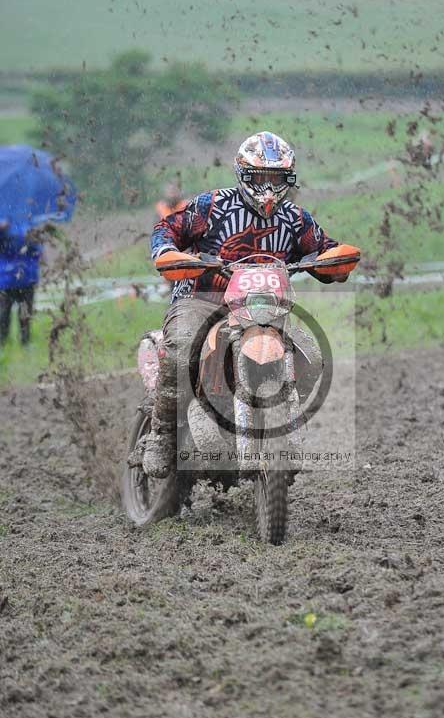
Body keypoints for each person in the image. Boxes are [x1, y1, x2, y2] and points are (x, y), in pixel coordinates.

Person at [143, 131, 356, 478]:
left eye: (276, 178)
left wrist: (335, 264)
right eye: (260, 178)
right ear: (243, 175)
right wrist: (167, 251)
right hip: (203, 297)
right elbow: (168, 227)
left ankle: (279, 415)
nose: (268, 188)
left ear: (288, 179)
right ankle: (162, 434)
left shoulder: (295, 219)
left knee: (312, 355)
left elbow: (324, 248)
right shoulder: (212, 206)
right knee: (181, 348)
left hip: (267, 308)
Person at [0, 219, 43, 346]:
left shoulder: (30, 224)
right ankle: (2, 343)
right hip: (5, 279)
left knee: (25, 313)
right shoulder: (3, 221)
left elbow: (37, 251)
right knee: (3, 313)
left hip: (26, 278)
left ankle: (25, 342)